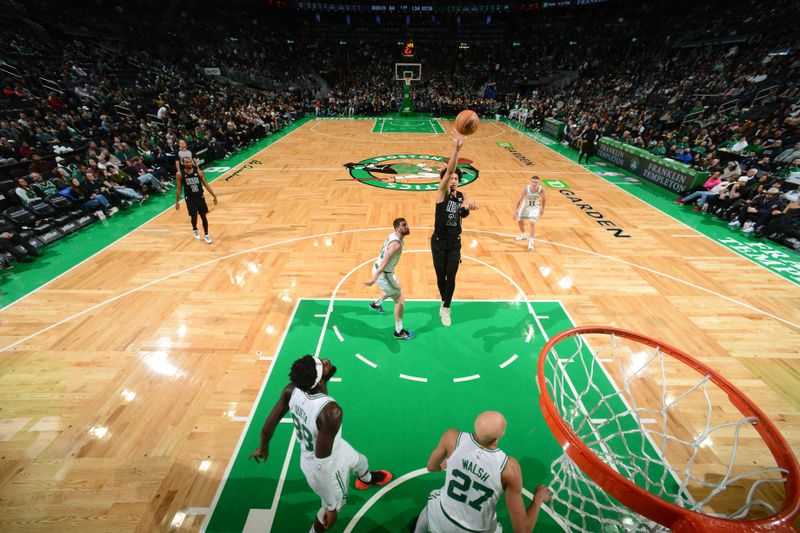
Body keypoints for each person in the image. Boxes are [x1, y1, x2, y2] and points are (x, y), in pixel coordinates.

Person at [249, 355, 392, 533]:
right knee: (326, 512)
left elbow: (267, 427)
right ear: (317, 381)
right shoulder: (330, 412)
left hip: (326, 450)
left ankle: (366, 480)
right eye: (322, 365)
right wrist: (331, 507)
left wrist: (264, 446)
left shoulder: (291, 390)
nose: (326, 361)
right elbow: (322, 467)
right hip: (327, 468)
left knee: (360, 461)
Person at [413, 411, 552, 533]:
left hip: (441, 518)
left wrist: (448, 463)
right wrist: (538, 499)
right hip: (475, 531)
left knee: (435, 497)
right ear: (498, 437)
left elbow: (431, 467)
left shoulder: (452, 438)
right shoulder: (509, 468)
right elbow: (523, 530)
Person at [432, 132, 479, 327]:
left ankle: (447, 308)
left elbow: (463, 216)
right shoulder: (441, 194)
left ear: (459, 182)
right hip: (438, 242)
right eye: (450, 178)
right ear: (445, 180)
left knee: (451, 275)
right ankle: (444, 302)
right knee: (440, 276)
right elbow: (450, 168)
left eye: (456, 179)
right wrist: (457, 149)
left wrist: (468, 207)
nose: (453, 180)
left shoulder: (462, 196)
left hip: (454, 243)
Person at [364, 217, 415, 340]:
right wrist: (373, 280)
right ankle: (399, 332)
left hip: (381, 270)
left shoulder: (393, 235)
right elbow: (384, 263)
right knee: (400, 299)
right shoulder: (396, 245)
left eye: (406, 224)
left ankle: (375, 304)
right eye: (404, 225)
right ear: (397, 228)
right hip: (383, 273)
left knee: (393, 291)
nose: (407, 227)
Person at [175, 156, 217, 243]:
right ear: (183, 164)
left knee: (203, 216)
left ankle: (206, 235)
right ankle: (195, 228)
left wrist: (214, 196)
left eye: (190, 162)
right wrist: (177, 201)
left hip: (200, 197)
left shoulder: (199, 172)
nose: (189, 164)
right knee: (194, 217)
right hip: (189, 198)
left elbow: (206, 184)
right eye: (187, 162)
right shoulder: (180, 174)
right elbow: (179, 189)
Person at [513, 175, 546, 251]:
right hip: (526, 206)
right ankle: (523, 234)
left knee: (532, 223)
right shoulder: (526, 189)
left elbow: (544, 199)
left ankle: (531, 241)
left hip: (535, 207)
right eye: (533, 182)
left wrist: (543, 209)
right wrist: (515, 210)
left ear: (538, 182)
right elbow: (519, 200)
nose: (534, 183)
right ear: (531, 182)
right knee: (520, 220)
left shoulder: (541, 189)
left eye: (536, 182)